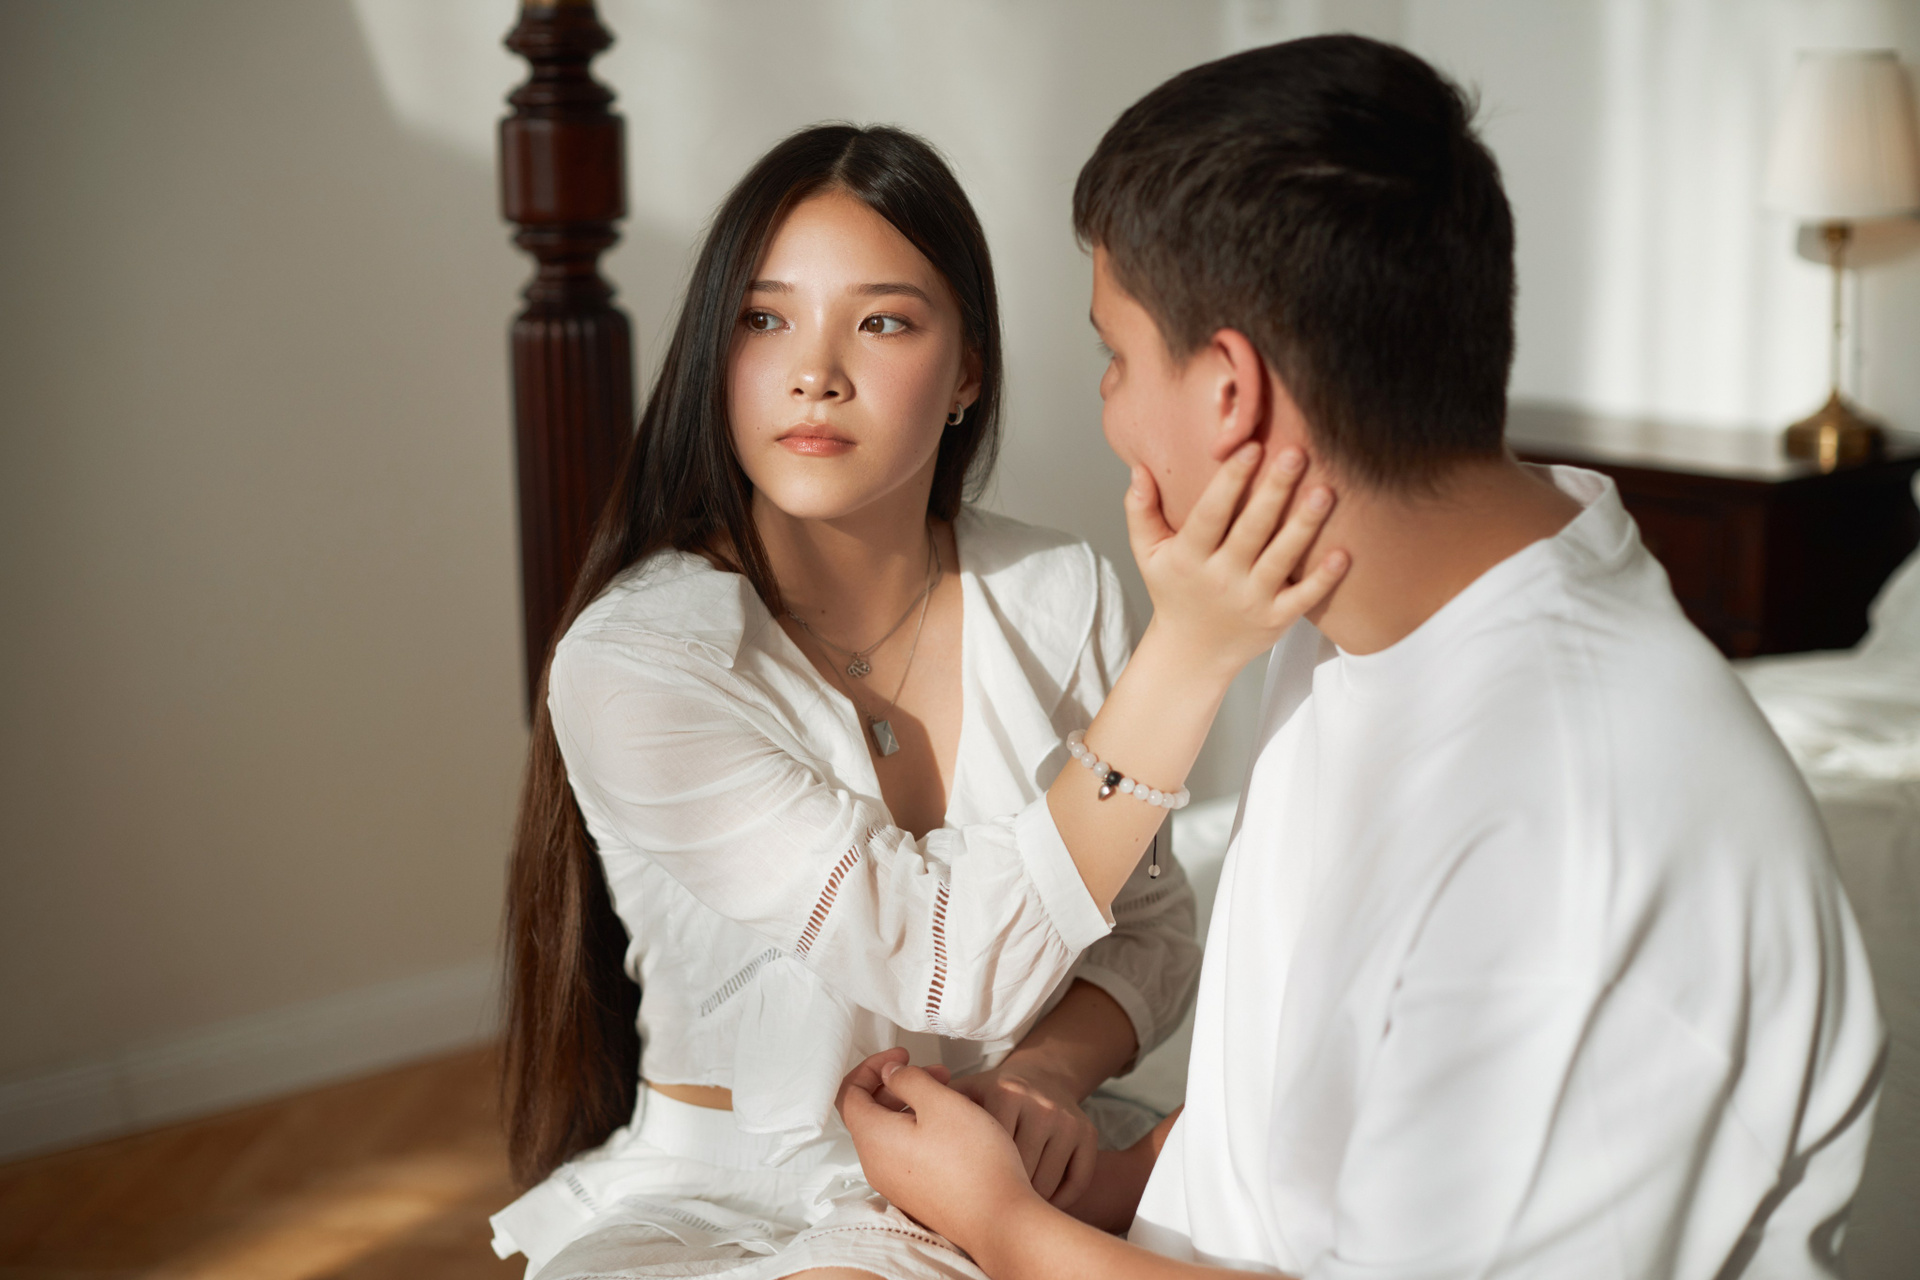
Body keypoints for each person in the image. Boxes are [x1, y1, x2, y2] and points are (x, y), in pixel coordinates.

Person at [838, 36, 1885, 1280]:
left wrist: (1003, 1225)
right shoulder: (1369, 615)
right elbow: (1309, 1126)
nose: (1110, 405)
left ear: (1233, 392)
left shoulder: (1565, 831)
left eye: (1115, 356)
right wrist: (1102, 1181)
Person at [488, 124, 1348, 1280]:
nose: (815, 370)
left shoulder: (1056, 590)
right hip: (723, 1200)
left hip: (1004, 1162)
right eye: (764, 319)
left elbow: (1148, 926)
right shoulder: (637, 659)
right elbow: (940, 955)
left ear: (969, 371)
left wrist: (1045, 1074)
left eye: (883, 321)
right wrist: (1187, 655)